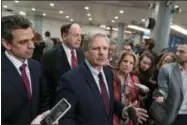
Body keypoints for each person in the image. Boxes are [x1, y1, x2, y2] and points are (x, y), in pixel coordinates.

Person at [56, 33, 148, 125]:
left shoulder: (108, 73)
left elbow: (107, 101)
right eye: (96, 48)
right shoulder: (70, 80)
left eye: (105, 48)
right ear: (85, 52)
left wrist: (124, 110)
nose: (102, 52)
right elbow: (65, 119)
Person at [1, 15, 49, 124]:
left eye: (32, 39)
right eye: (23, 42)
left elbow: (43, 100)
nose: (32, 46)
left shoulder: (36, 66)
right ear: (6, 44)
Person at [41, 23, 85, 108]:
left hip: (79, 106)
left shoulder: (81, 53)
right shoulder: (50, 56)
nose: (79, 39)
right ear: (64, 36)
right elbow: (45, 87)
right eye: (76, 35)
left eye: (80, 35)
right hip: (58, 107)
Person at [153, 42, 187, 125]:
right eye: (177, 51)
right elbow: (162, 89)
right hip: (169, 114)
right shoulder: (167, 69)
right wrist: (159, 95)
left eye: (182, 51)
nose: (177, 54)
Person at [113, 51, 149, 125]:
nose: (127, 65)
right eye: (125, 61)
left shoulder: (134, 79)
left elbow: (137, 100)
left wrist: (143, 92)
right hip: (113, 115)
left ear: (133, 66)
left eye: (131, 63)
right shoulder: (111, 76)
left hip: (129, 117)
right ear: (120, 62)